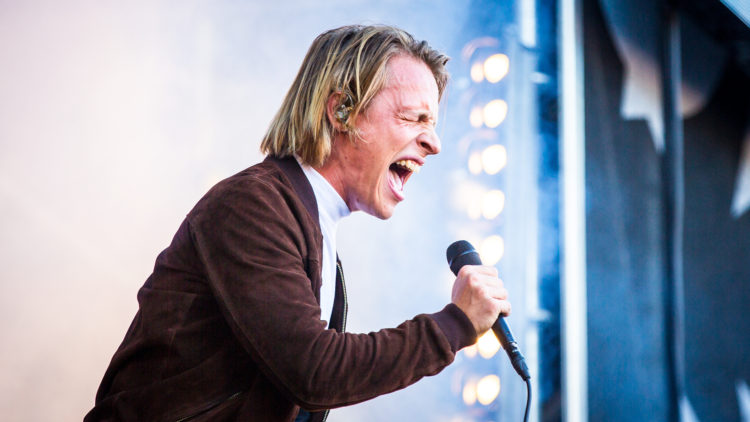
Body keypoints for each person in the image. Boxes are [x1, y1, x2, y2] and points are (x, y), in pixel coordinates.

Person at [85, 24, 511, 422]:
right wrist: (454, 324)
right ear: (342, 109)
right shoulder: (252, 205)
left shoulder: (310, 227)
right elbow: (314, 371)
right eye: (412, 118)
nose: (433, 143)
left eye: (432, 124)